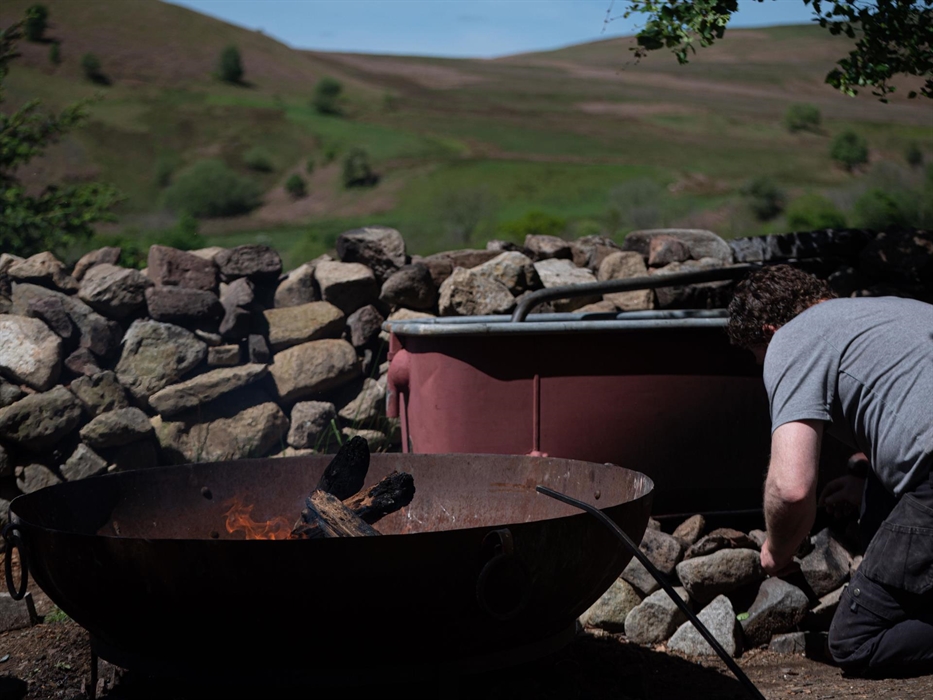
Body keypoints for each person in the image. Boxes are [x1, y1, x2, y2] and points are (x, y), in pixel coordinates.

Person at [727, 264, 933, 676]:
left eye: (756, 357)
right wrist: (865, 481)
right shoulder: (893, 311)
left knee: (856, 642)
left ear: (767, 331)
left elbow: (791, 489)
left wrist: (776, 549)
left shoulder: (791, 338)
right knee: (877, 495)